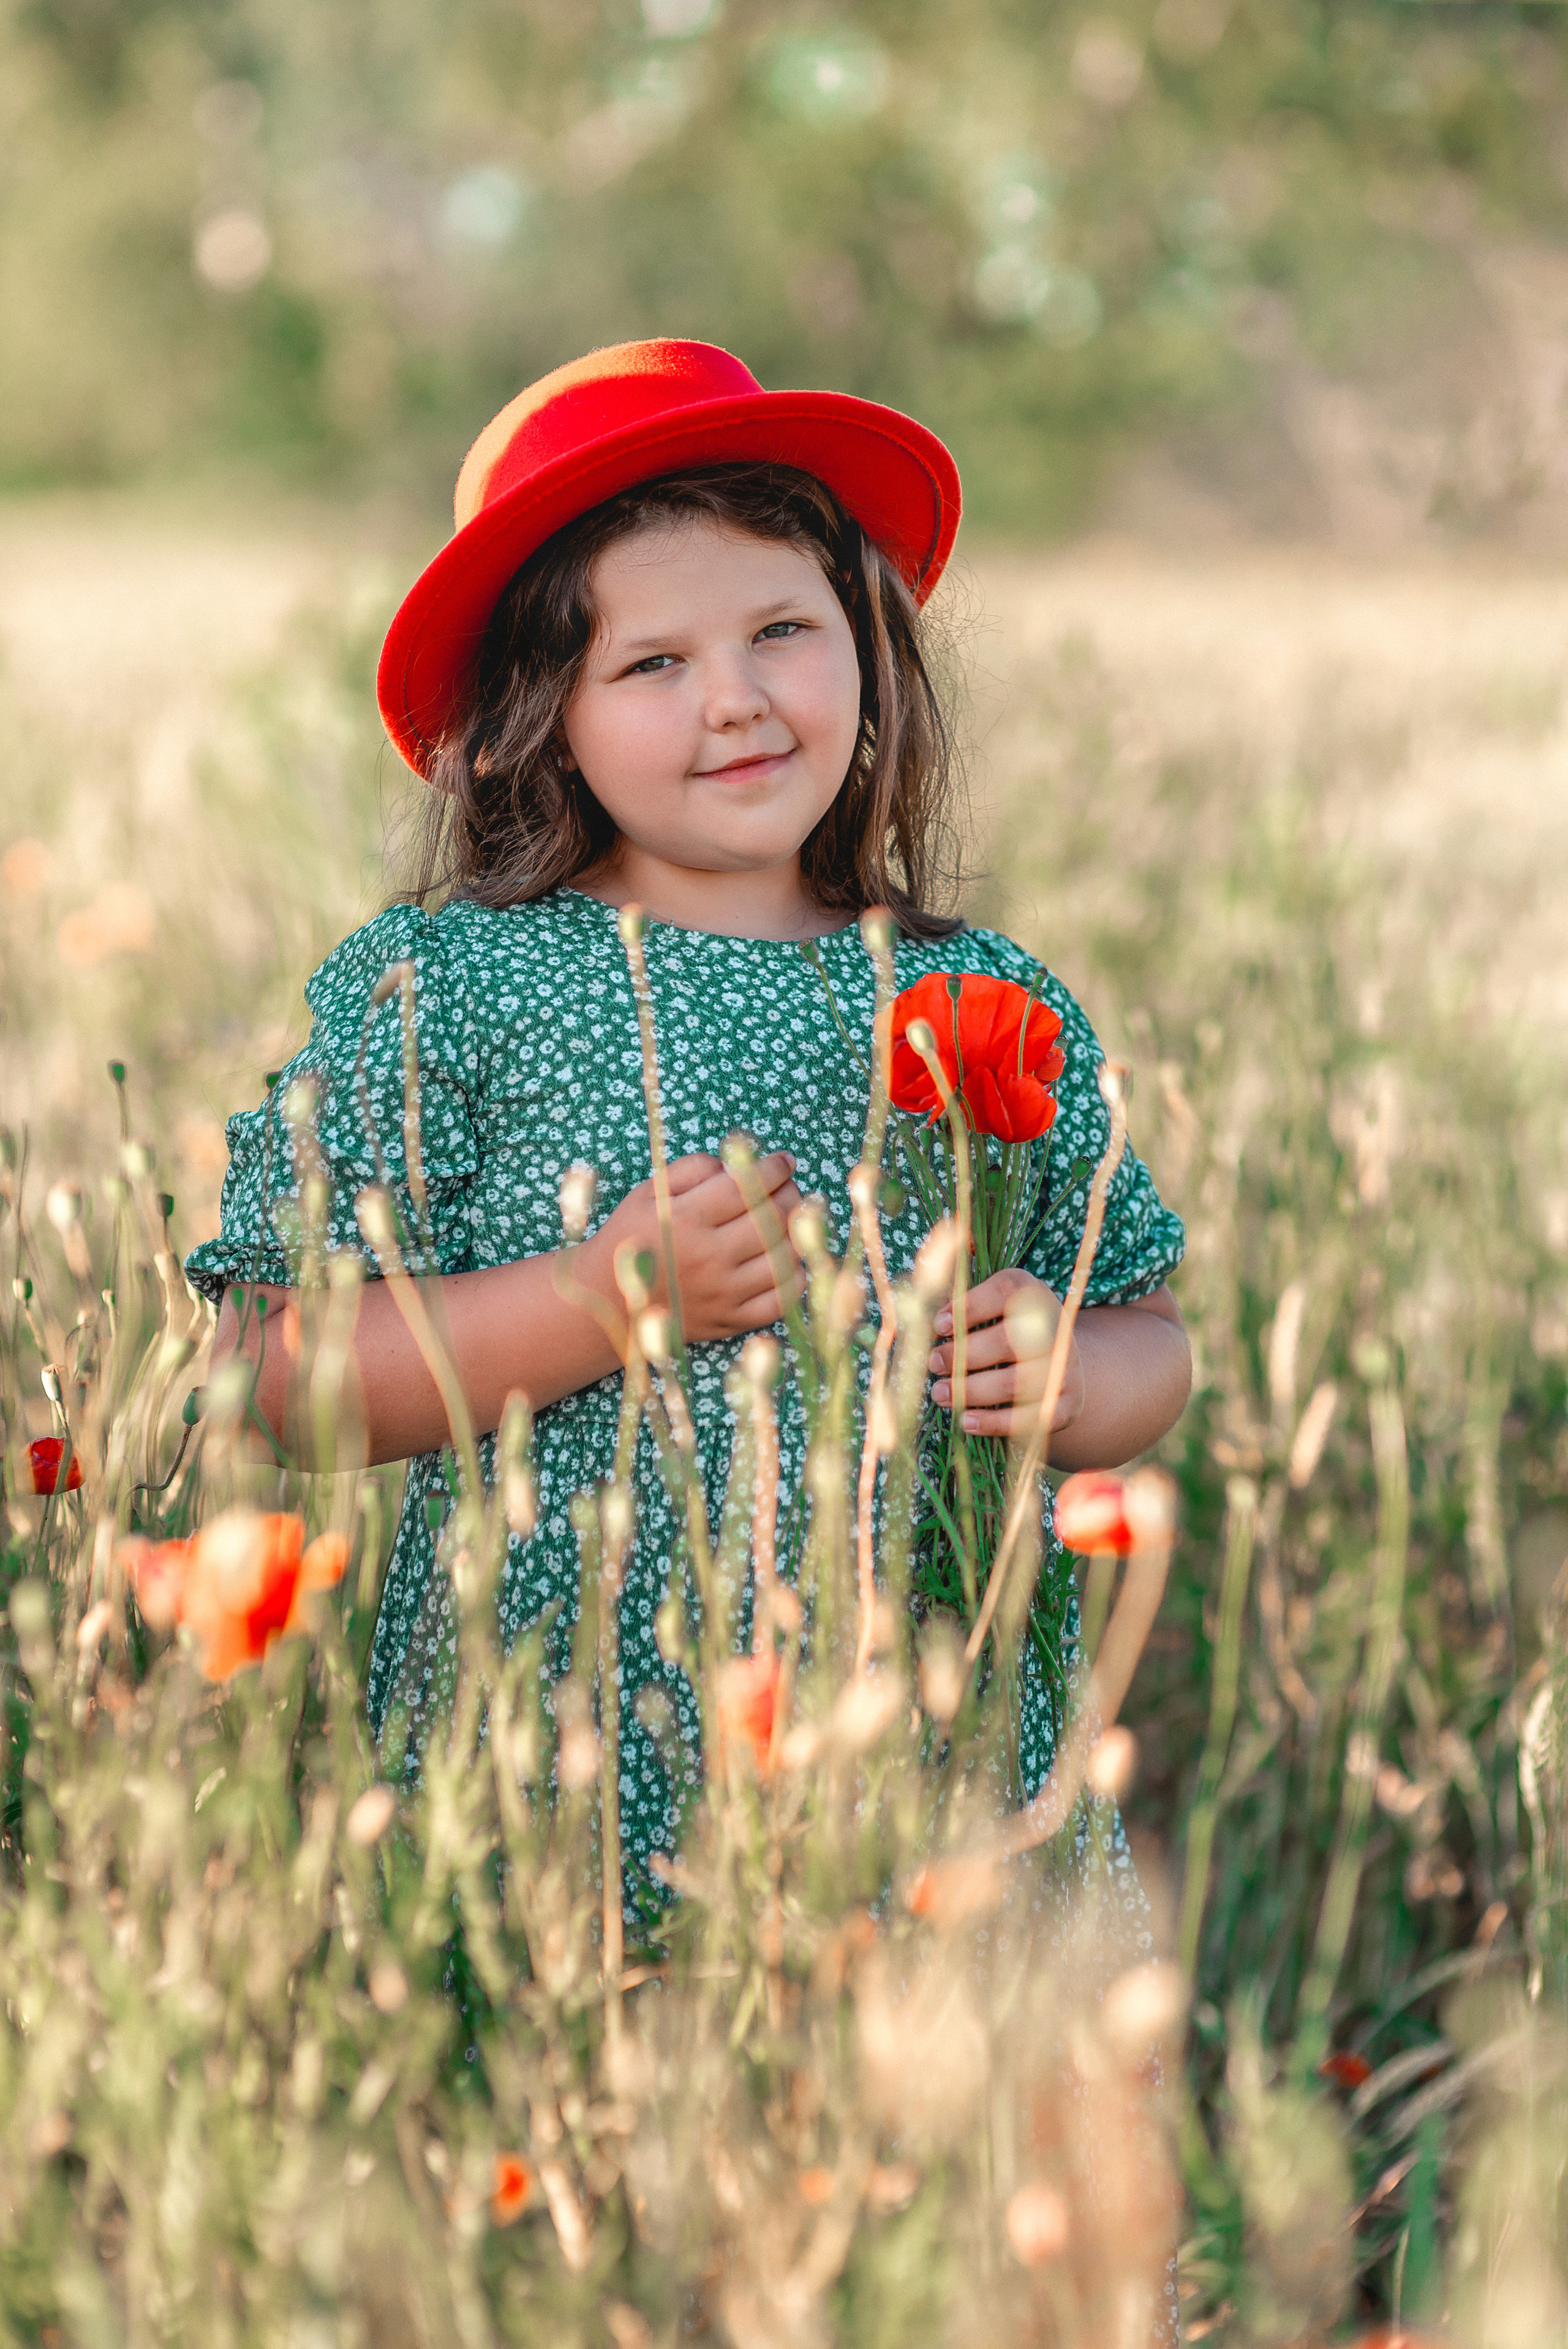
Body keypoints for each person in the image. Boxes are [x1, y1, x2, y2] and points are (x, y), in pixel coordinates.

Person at [188, 339, 1192, 1904]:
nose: (734, 699)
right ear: (542, 720)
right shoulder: (451, 987)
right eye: (650, 664)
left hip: (932, 1763)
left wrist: (1068, 1369)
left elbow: (1149, 1334)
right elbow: (273, 1378)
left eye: (781, 630)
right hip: (568, 1767)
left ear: (865, 649)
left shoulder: (972, 995)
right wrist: (598, 1300)